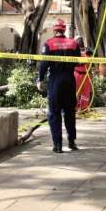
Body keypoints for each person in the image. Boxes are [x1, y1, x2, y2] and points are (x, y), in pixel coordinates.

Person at [37, 19, 81, 153]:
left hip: (55, 80)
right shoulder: (73, 43)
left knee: (54, 113)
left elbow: (44, 64)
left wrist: (40, 79)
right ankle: (72, 142)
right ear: (64, 30)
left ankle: (57, 145)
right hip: (69, 79)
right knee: (69, 112)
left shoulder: (49, 44)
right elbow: (78, 60)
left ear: (54, 30)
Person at [73, 36, 93, 113]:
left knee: (84, 92)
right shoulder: (75, 51)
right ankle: (77, 107)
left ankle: (83, 108)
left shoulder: (88, 51)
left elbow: (91, 61)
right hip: (79, 74)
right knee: (78, 92)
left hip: (83, 75)